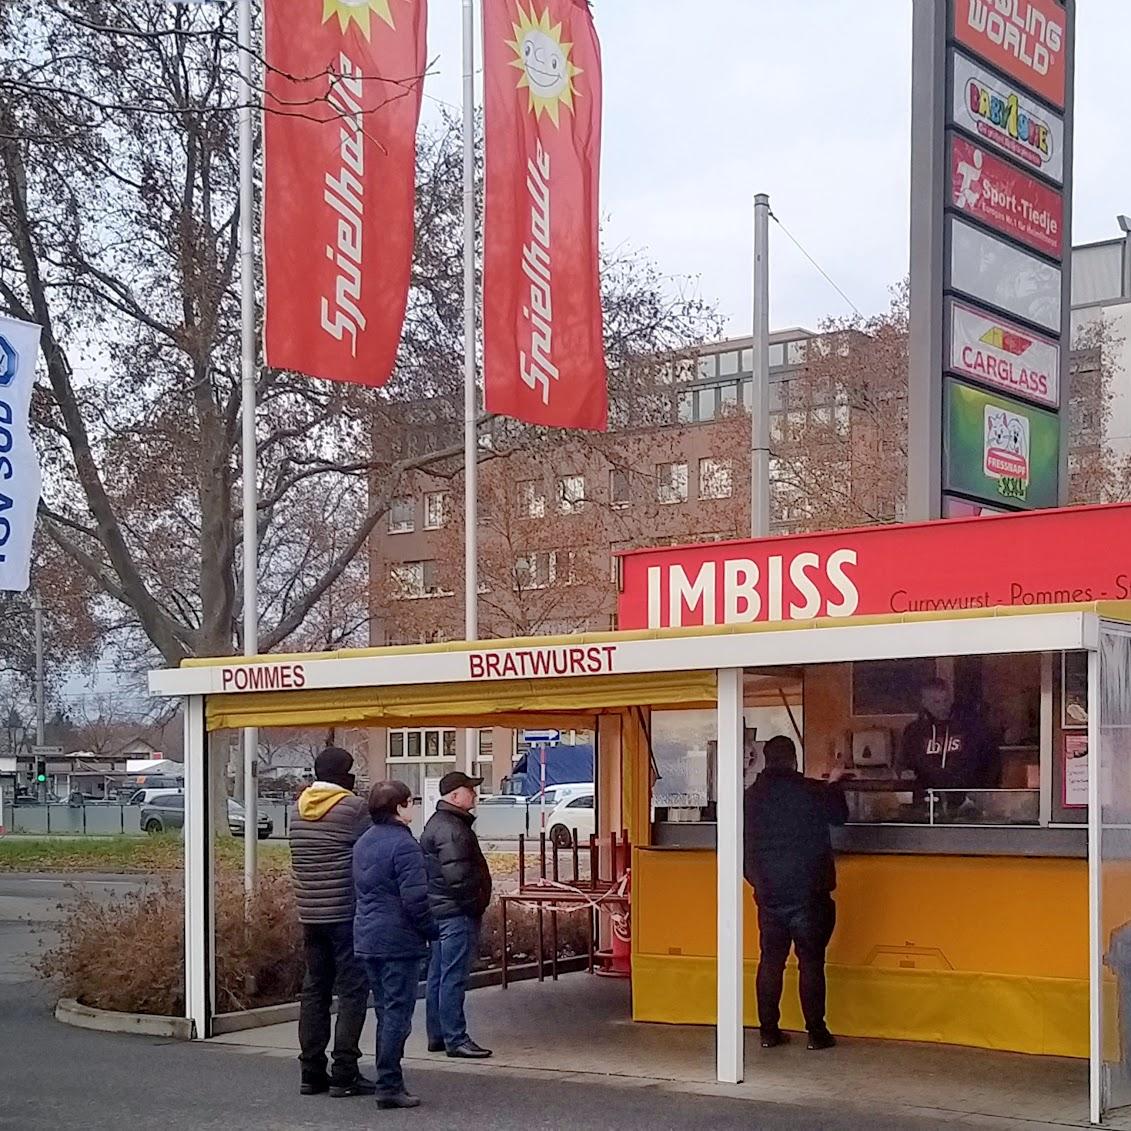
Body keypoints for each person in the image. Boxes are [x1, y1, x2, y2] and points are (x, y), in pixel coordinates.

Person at [743, 734, 848, 1051]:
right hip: (808, 893)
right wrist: (836, 782)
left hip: (769, 893)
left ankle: (768, 1031)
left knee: (770, 962)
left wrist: (757, 881)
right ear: (794, 760)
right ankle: (816, 1033)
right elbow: (840, 817)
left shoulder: (750, 798)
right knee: (811, 963)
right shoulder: (812, 792)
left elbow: (740, 845)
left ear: (765, 760)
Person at [289, 745, 374, 1098]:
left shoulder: (296, 809)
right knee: (353, 991)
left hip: (310, 913)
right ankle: (344, 1072)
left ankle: (311, 1072)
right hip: (345, 913)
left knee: (315, 991)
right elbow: (370, 849)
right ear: (345, 775)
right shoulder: (353, 809)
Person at [354, 780, 437, 1110]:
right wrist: (431, 930)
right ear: (400, 807)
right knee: (397, 1015)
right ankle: (389, 1084)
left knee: (385, 1011)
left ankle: (387, 1079)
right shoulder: (404, 846)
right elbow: (415, 898)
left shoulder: (364, 842)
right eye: (411, 802)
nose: (414, 807)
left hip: (368, 936)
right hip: (398, 940)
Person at [420, 770, 493, 1059]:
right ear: (454, 796)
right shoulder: (453, 829)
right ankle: (455, 1037)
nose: (474, 794)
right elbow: (459, 878)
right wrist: (475, 904)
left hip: (441, 911)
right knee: (453, 976)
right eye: (469, 790)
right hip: (456, 913)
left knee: (439, 974)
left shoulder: (442, 824)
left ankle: (437, 1034)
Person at [900, 678, 1000, 811]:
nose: (942, 707)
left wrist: (983, 794)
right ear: (924, 703)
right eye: (936, 702)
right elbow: (904, 764)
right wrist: (905, 773)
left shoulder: (971, 727)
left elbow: (992, 761)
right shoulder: (914, 732)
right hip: (927, 804)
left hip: (968, 805)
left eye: (946, 700)